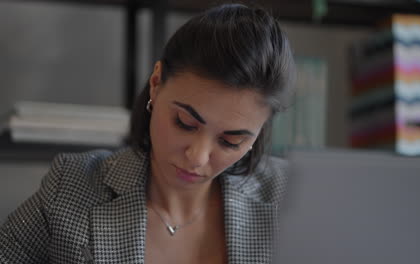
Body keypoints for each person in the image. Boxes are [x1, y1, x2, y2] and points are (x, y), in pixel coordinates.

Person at [0, 3, 295, 263]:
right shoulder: (74, 186)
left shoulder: (293, 197)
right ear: (156, 82)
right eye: (184, 122)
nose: (197, 156)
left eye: (231, 140)